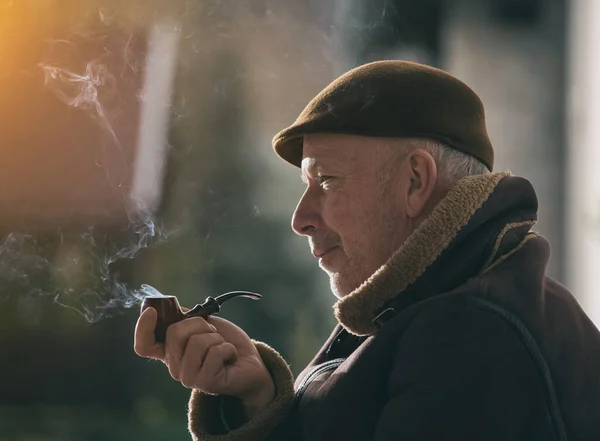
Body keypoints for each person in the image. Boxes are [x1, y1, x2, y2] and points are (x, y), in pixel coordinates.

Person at [134, 60, 600, 441]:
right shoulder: (427, 305)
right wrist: (255, 399)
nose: (301, 219)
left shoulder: (470, 332)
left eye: (326, 180)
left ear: (415, 181)